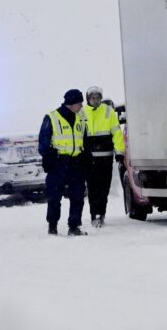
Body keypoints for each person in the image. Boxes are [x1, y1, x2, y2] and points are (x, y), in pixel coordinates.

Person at [38, 88, 88, 236]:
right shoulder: (52, 117)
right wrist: (49, 157)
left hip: (76, 162)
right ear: (71, 103)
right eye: (79, 103)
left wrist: (86, 154)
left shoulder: (80, 117)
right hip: (58, 163)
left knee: (78, 196)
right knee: (54, 196)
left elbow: (84, 139)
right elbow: (43, 142)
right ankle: (52, 226)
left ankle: (74, 226)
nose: (81, 106)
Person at [81, 85, 125, 228]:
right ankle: (94, 214)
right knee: (92, 188)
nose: (95, 100)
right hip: (89, 159)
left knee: (104, 188)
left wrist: (119, 153)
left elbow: (117, 133)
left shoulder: (108, 111)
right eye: (93, 98)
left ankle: (101, 214)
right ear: (88, 99)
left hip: (106, 158)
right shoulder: (82, 112)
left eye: (98, 98)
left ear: (101, 98)